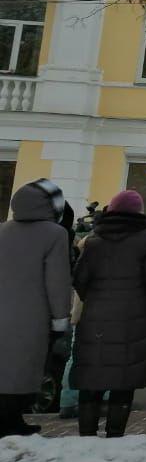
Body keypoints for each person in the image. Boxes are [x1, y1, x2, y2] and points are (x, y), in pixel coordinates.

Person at [72, 189, 146, 437]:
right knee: (125, 379)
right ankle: (115, 435)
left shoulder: (94, 241)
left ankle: (86, 434)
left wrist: (94, 300)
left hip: (95, 319)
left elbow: (79, 279)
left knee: (91, 376)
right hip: (134, 318)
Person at [0, 179, 73, 438]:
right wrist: (61, 318)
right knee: (25, 371)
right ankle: (11, 421)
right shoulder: (55, 234)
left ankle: (11, 420)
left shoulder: (3, 230)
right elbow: (57, 281)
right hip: (32, 316)